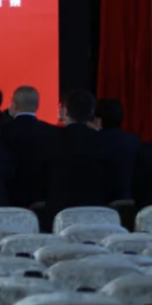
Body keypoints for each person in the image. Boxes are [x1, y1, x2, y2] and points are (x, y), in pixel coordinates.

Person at [43, 91, 117, 224]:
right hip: (96, 216)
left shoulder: (49, 139)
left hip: (57, 217)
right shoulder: (104, 141)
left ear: (65, 111)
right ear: (92, 112)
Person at [0, 86, 54, 208]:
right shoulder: (52, 132)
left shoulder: (2, 131)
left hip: (8, 201)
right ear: (37, 105)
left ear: (13, 105)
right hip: (42, 201)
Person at [95, 97, 139, 202]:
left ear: (99, 120)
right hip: (129, 202)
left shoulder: (92, 141)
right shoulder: (134, 141)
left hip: (99, 204)